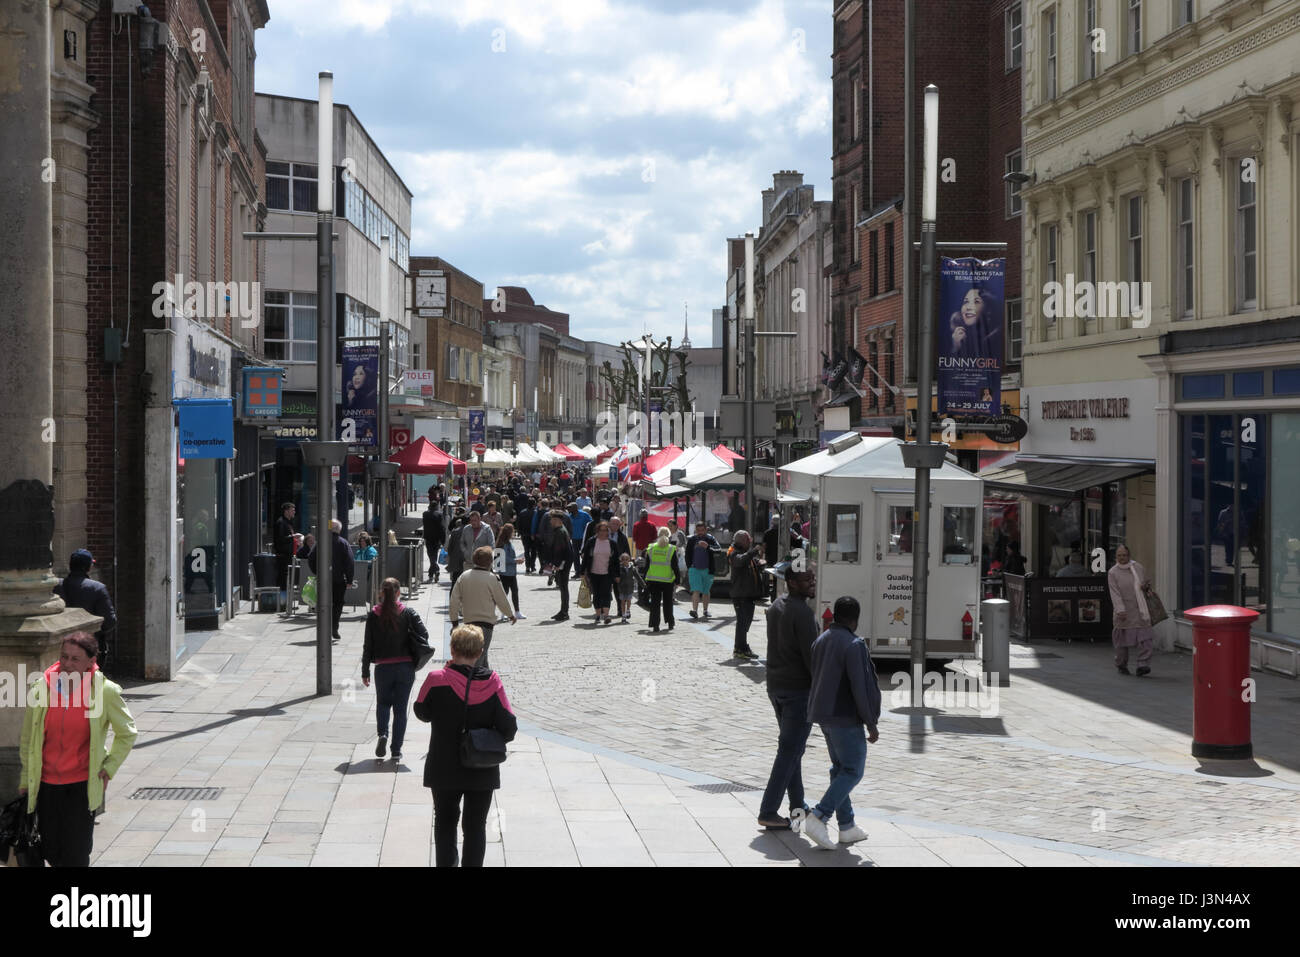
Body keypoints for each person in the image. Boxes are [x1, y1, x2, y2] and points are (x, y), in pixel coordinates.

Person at [18, 632, 138, 867]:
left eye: (75, 659)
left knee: (75, 853)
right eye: (64, 657)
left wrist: (110, 766)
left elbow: (127, 733)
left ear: (90, 662)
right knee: (50, 850)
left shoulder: (105, 691)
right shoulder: (42, 688)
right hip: (46, 785)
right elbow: (28, 739)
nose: (67, 664)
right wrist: (25, 779)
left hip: (81, 784)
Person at [412, 624, 518, 867]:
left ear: (452, 649)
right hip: (481, 766)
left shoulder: (436, 679)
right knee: (475, 826)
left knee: (445, 822)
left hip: (443, 765)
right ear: (480, 651)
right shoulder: (493, 682)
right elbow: (509, 728)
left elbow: (421, 711)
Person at [802, 596, 880, 850]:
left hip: (823, 715)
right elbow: (861, 686)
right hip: (845, 717)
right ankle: (819, 815)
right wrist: (871, 722)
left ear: (835, 615)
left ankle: (847, 826)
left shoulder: (821, 639)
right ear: (855, 619)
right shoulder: (854, 644)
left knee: (840, 769)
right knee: (853, 770)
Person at [758, 568, 818, 829]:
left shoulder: (777, 605)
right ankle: (768, 810)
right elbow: (812, 658)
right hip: (798, 691)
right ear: (792, 582)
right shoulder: (803, 613)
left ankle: (798, 806)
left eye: (813, 578)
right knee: (789, 751)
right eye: (807, 580)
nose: (812, 583)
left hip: (777, 686)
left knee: (793, 750)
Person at [362, 577, 430, 762]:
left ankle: (382, 734)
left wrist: (365, 671)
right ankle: (396, 751)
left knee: (383, 704)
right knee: (400, 710)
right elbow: (424, 634)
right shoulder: (408, 612)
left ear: (381, 593)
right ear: (399, 593)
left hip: (383, 668)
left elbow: (367, 645)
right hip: (405, 666)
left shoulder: (373, 615)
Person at [448, 546, 516, 669]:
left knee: (480, 655)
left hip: (469, 623)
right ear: (490, 562)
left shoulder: (464, 576)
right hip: (486, 624)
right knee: (479, 658)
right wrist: (510, 614)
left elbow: (454, 601)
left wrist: (454, 622)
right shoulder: (492, 578)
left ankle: (487, 682)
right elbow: (502, 600)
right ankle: (475, 683)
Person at [53, 550, 117, 668]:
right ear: (88, 567)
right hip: (88, 648)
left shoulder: (56, 586)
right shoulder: (97, 588)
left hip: (61, 648)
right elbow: (109, 621)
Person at [1108, 545, 1155, 677]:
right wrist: (1120, 609)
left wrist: (1145, 586)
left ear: (1129, 556)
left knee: (1146, 639)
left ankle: (1143, 665)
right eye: (1119, 556)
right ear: (1116, 557)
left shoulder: (1138, 567)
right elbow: (1114, 593)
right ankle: (1121, 664)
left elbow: (1144, 583)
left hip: (1140, 610)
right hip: (1124, 612)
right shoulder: (1113, 572)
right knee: (1121, 642)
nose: (1122, 558)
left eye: (1124, 555)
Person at [308, 519, 355, 642]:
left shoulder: (320, 543)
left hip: (323, 579)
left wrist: (317, 572)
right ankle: (334, 627)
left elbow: (311, 558)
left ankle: (324, 629)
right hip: (339, 580)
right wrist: (349, 579)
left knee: (323, 603)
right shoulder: (343, 543)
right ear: (339, 529)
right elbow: (349, 562)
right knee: (338, 604)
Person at [728, 530, 765, 660]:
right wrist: (754, 551)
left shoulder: (745, 553)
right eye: (748, 540)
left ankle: (743, 647)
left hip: (748, 594)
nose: (750, 542)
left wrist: (759, 564)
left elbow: (749, 563)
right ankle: (739, 649)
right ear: (742, 541)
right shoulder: (734, 553)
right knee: (742, 623)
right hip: (740, 595)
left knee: (745, 623)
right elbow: (740, 561)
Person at [580, 521, 620, 625]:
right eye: (601, 530)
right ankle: (598, 615)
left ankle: (606, 615)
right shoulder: (591, 542)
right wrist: (582, 571)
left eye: (605, 530)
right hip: (593, 572)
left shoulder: (612, 543)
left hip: (607, 573)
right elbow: (586, 558)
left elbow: (616, 561)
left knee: (606, 593)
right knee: (597, 594)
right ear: (597, 531)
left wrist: (617, 575)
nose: (603, 532)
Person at [643, 526, 680, 633]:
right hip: (668, 580)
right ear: (669, 535)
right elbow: (675, 566)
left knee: (655, 603)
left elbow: (647, 565)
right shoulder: (671, 549)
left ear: (658, 535)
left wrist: (645, 578)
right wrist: (677, 580)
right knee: (668, 602)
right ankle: (670, 622)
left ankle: (655, 625)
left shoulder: (651, 548)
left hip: (653, 579)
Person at [539, 511, 575, 621]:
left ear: (557, 520)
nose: (550, 521)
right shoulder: (561, 530)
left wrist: (557, 564)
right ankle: (563, 611)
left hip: (563, 563)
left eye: (552, 519)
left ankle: (564, 612)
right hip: (564, 562)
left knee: (563, 587)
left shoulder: (560, 531)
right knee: (563, 587)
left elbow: (560, 550)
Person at [948, 285, 998, 360]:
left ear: (988, 310)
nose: (968, 307)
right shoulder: (959, 336)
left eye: (976, 302)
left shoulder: (993, 340)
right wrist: (956, 347)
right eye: (966, 302)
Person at [685, 522, 721, 620]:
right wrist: (690, 567)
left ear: (706, 530)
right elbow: (687, 554)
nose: (700, 532)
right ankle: (695, 611)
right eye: (698, 531)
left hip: (708, 570)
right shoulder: (692, 539)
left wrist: (708, 546)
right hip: (694, 569)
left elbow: (719, 550)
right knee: (696, 590)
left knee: (706, 591)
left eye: (702, 530)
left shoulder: (710, 539)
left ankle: (705, 610)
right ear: (696, 530)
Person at [455, 510, 496, 587]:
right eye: (471, 520)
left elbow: (492, 545)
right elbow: (462, 542)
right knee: (468, 585)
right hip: (469, 562)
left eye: (475, 520)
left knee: (481, 586)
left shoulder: (487, 529)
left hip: (483, 564)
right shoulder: (466, 529)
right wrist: (465, 551)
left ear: (479, 519)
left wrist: (485, 554)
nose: (473, 522)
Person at [496, 524, 524, 619]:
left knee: (514, 591)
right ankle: (505, 612)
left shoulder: (507, 542)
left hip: (511, 572)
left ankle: (516, 611)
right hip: (506, 573)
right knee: (506, 592)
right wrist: (516, 560)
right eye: (512, 531)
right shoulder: (503, 544)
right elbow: (503, 559)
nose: (513, 533)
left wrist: (517, 560)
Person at [274, 502, 297, 602]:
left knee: (287, 578)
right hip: (283, 556)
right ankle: (282, 602)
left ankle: (286, 601)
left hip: (289, 555)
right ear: (286, 511)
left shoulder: (289, 522)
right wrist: (293, 537)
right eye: (292, 510)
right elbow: (280, 539)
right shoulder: (281, 522)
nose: (294, 512)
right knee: (283, 579)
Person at [422, 500, 446, 583]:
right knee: (434, 556)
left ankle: (431, 574)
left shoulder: (425, 514)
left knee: (431, 556)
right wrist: (443, 540)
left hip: (428, 538)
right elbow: (441, 528)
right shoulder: (439, 514)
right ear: (436, 506)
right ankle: (436, 570)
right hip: (436, 539)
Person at [516, 498, 537, 575]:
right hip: (534, 535)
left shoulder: (522, 512)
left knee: (527, 550)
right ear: (534, 504)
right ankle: (532, 566)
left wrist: (519, 532)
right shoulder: (535, 513)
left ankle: (527, 566)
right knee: (534, 551)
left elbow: (518, 523)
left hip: (524, 534)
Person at [763, 516, 780, 603]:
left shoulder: (767, 533)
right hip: (780, 558)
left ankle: (773, 596)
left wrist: (763, 557)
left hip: (770, 559)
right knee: (778, 579)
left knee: (774, 578)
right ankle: (776, 595)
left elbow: (764, 546)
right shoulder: (782, 533)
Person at [617, 552, 638, 622]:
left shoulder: (632, 567)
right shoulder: (619, 568)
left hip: (629, 587)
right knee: (622, 602)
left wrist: (644, 585)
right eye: (623, 559)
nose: (625, 561)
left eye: (626, 559)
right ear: (621, 560)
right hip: (622, 588)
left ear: (629, 559)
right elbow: (616, 577)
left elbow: (637, 576)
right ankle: (623, 615)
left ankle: (628, 610)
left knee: (629, 600)